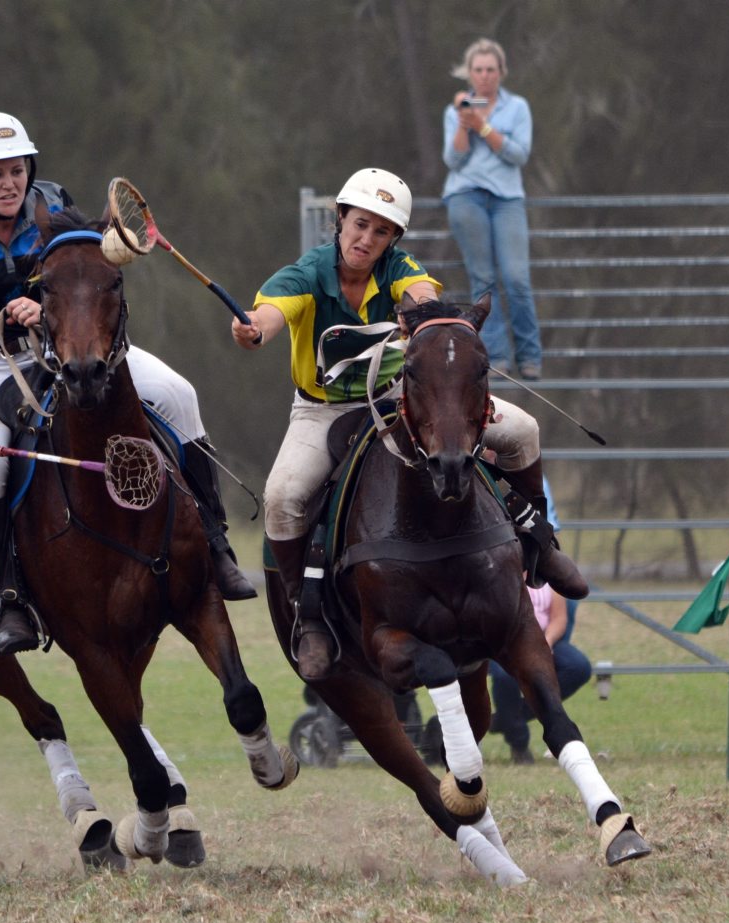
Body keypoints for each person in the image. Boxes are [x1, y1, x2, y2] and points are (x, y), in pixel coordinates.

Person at [0, 111, 255, 655]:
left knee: (178, 394)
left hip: (69, 344)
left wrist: (97, 255)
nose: (10, 183)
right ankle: (8, 597)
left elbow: (84, 266)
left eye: (17, 170)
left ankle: (216, 540)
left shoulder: (53, 201)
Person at [232, 167, 586, 682]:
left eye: (380, 231)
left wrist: (422, 314)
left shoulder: (400, 267)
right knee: (283, 498)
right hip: (323, 409)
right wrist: (251, 330)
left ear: (393, 238)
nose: (366, 239)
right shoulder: (306, 274)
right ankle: (307, 615)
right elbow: (268, 315)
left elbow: (421, 292)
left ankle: (540, 547)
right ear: (340, 221)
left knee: (524, 432)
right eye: (358, 225)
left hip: (400, 399)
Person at [441, 37, 543, 380]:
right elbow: (453, 159)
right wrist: (463, 123)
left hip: (507, 199)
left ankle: (530, 357)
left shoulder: (518, 108)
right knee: (482, 278)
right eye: (478, 69)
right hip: (466, 195)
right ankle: (496, 357)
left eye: (490, 69)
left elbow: (518, 154)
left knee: (516, 277)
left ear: (501, 72)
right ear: (469, 73)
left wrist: (483, 126)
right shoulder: (456, 109)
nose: (484, 75)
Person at [488, 475, 591, 763]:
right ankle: (518, 739)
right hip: (505, 643)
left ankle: (508, 719)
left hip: (546, 639)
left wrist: (542, 643)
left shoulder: (544, 565)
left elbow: (559, 617)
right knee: (504, 677)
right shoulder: (500, 568)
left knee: (578, 667)